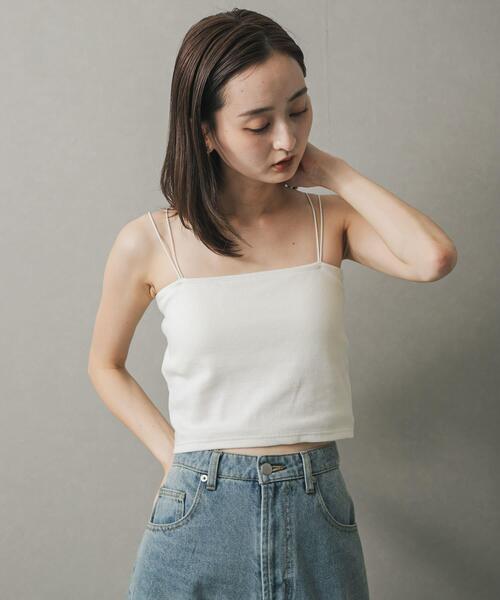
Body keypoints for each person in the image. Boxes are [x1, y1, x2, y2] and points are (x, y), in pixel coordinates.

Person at [87, 9, 457, 600]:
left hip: (316, 503)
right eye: (259, 124)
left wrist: (334, 171)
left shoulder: (329, 220)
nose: (287, 139)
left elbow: (432, 258)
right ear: (205, 131)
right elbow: (104, 364)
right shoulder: (150, 241)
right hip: (200, 505)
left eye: (299, 110)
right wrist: (173, 456)